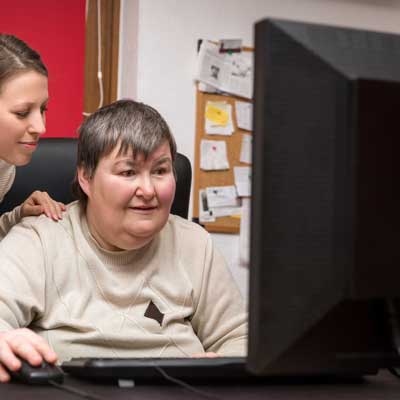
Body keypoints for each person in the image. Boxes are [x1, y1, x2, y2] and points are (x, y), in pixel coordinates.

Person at [0, 99, 247, 382]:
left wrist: (223, 366)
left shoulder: (194, 243)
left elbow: (239, 339)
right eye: (128, 172)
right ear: (86, 177)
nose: (148, 189)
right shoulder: (39, 239)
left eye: (160, 171)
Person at [0, 34, 65, 239]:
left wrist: (18, 216)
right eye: (22, 112)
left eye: (43, 109)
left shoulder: (4, 164)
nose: (41, 127)